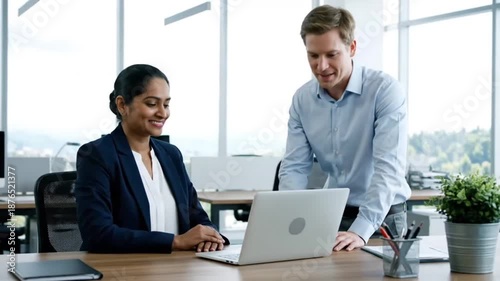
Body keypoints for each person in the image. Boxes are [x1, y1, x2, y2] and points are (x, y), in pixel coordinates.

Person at [279, 5, 411, 252]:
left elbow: (388, 169)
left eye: (331, 54)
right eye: (313, 55)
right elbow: (295, 166)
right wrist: (290, 217)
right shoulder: (302, 100)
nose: (321, 66)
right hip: (333, 215)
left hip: (383, 218)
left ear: (352, 48)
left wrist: (360, 231)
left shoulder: (384, 91)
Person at [75, 64, 229, 253]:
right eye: (151, 104)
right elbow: (98, 234)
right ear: (122, 105)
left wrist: (210, 236)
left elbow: (198, 217)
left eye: (166, 104)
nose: (163, 113)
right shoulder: (97, 155)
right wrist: (176, 242)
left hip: (176, 270)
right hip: (125, 271)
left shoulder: (171, 155)